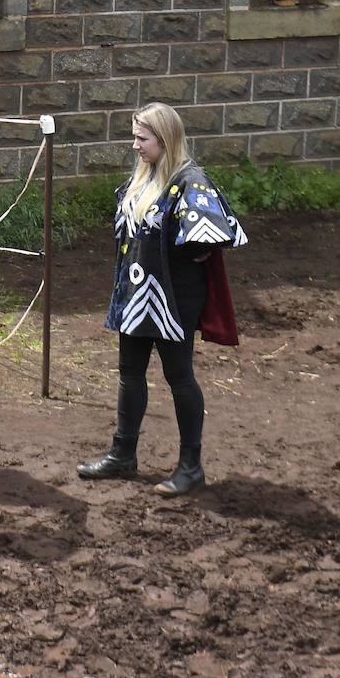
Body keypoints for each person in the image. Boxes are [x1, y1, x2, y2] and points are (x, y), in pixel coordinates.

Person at [78, 102, 246, 497]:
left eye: (143, 138)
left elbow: (215, 233)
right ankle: (123, 454)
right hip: (136, 294)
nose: (135, 145)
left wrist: (191, 249)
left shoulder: (191, 180)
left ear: (165, 139)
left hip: (173, 299)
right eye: (134, 136)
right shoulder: (145, 177)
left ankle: (191, 467)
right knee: (129, 373)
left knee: (179, 377)